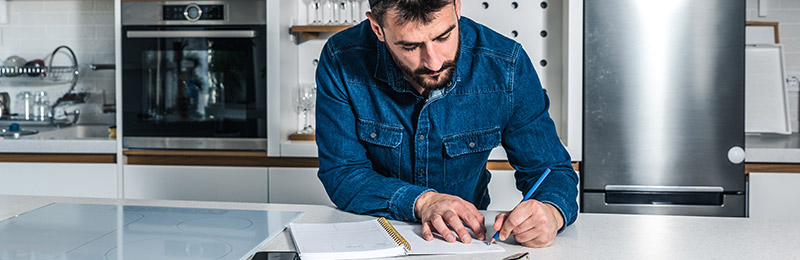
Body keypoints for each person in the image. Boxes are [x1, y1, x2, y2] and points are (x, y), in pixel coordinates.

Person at [315, 0, 578, 248]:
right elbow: (342, 172)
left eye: (443, 37)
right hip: (375, 238)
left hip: (467, 242)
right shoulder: (342, 58)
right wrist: (423, 201)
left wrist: (551, 212)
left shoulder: (505, 65)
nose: (434, 62)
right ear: (377, 28)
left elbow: (551, 170)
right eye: (410, 46)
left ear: (457, 6)